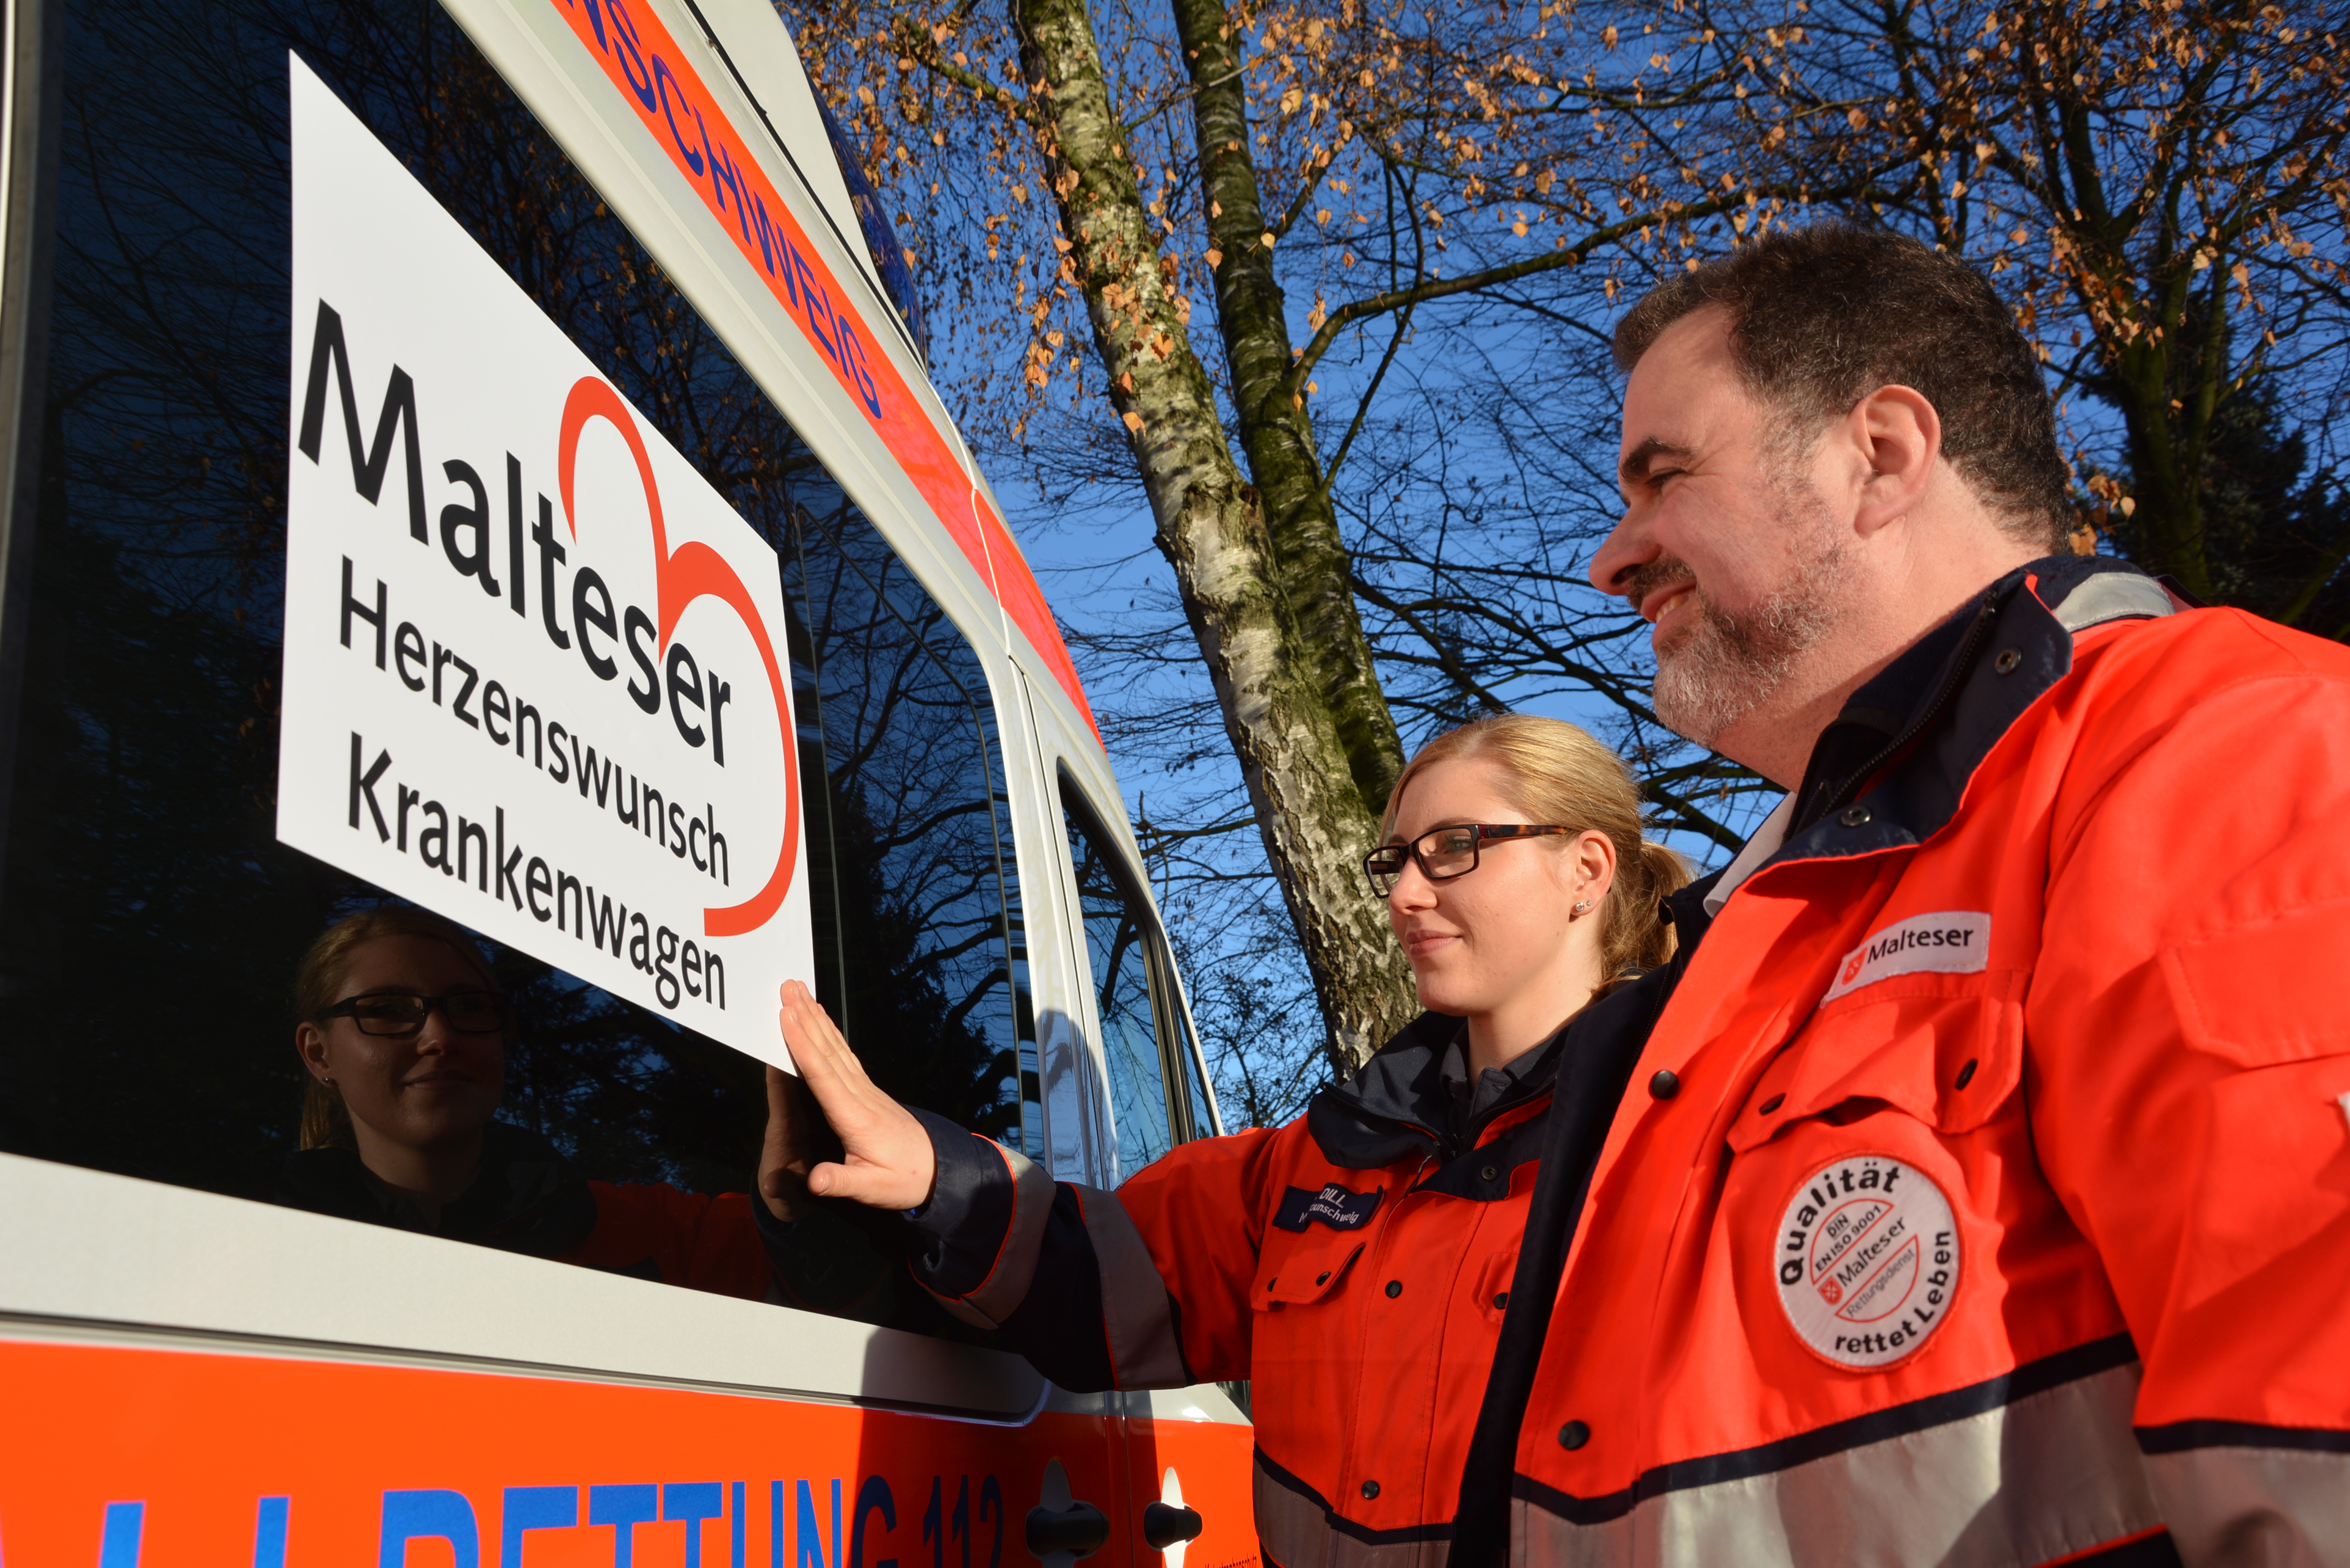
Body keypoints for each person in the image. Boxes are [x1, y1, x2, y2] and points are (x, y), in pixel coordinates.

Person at [1441, 224, 2350, 1567]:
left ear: (1882, 453)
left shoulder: (2224, 752)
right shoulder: (1773, 918)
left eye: (1663, 476)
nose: (1610, 556)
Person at [756, 715, 1688, 1568]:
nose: (1405, 892)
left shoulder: (1687, 1144)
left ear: (1587, 870)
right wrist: (929, 1173)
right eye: (1396, 859)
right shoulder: (1317, 1164)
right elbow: (1093, 1281)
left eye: (1454, 849)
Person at [284, 905, 777, 1299]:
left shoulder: (656, 1236)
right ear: (318, 1053)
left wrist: (809, 1213)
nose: (440, 1037)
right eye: (388, 1011)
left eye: (469, 1007)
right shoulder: (260, 1239)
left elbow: (809, 1266)